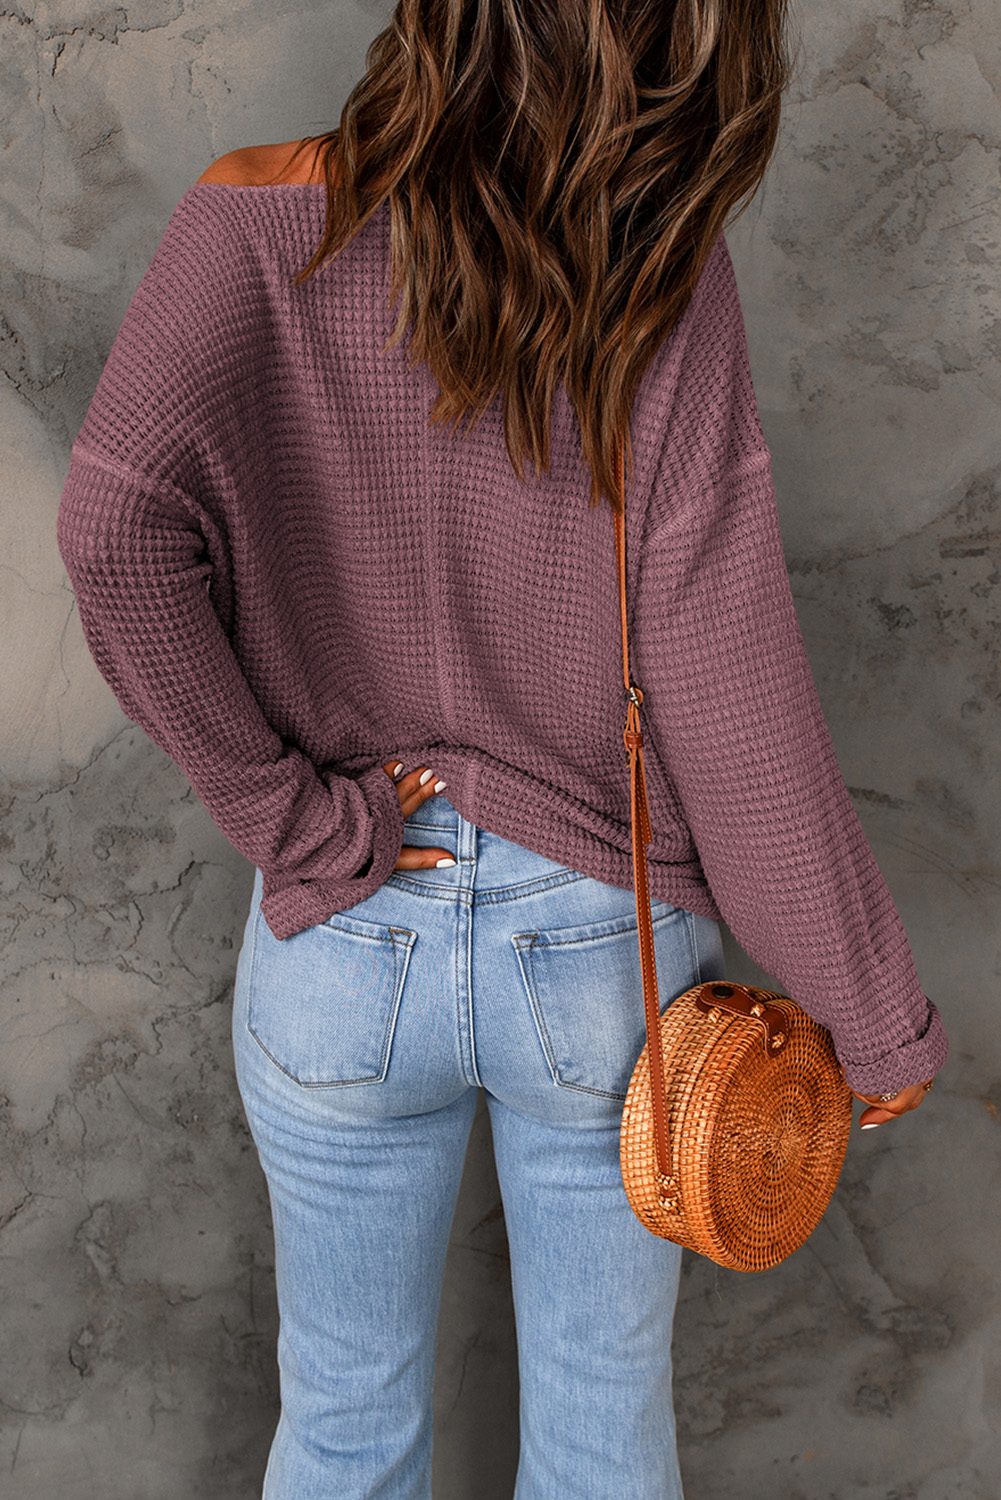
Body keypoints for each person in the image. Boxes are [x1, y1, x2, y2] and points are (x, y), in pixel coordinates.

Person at [56, 0, 948, 1495]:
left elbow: (111, 536)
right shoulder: (661, 277)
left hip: (346, 934)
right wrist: (870, 1014)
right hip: (601, 955)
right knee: (605, 1440)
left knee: (341, 1427)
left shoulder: (247, 220)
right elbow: (726, 684)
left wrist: (296, 821)